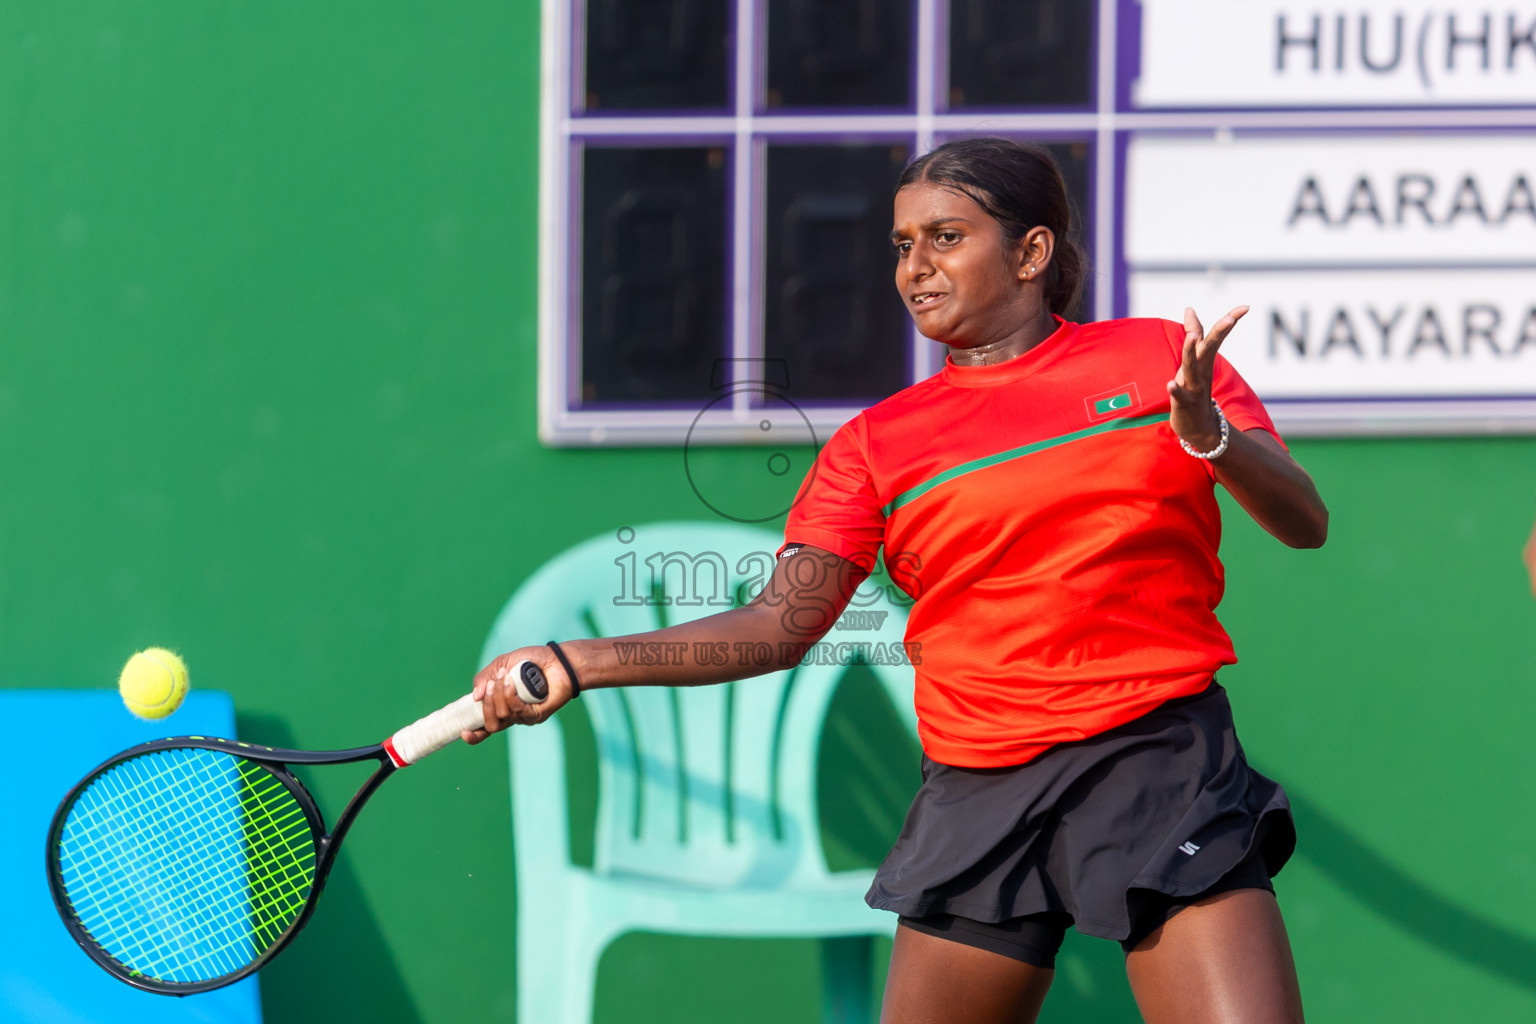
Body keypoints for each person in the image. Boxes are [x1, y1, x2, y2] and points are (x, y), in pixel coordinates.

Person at [469, 137, 1327, 1024]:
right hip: (980, 786)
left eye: (946, 237)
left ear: (1032, 253)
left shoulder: (1160, 363)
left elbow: (1305, 523)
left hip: (1157, 759)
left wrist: (1207, 433)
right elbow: (778, 626)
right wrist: (580, 664)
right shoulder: (876, 446)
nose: (915, 267)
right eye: (901, 245)